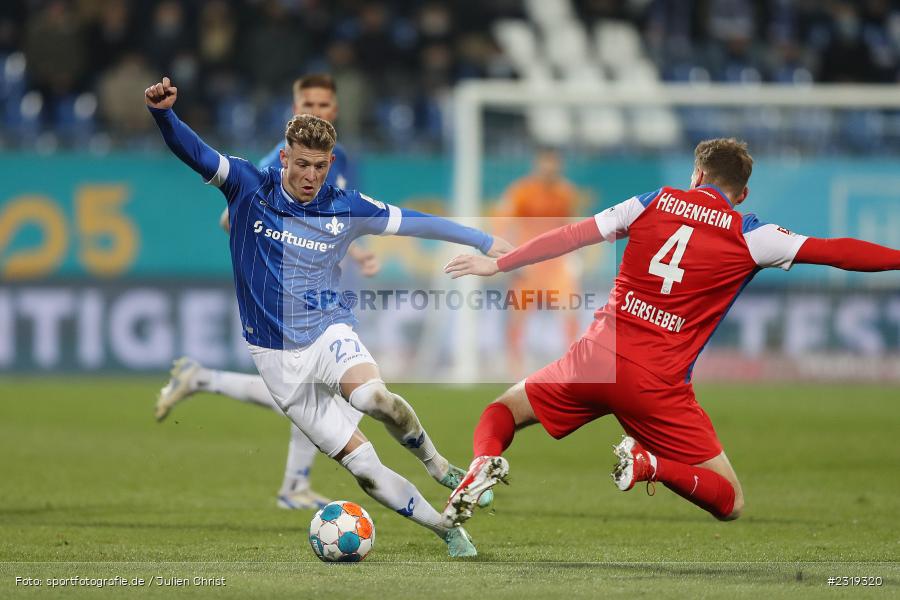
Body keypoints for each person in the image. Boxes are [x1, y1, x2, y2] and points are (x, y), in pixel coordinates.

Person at [441, 137, 900, 530]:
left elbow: (573, 235)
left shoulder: (650, 201)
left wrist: (498, 264)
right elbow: (838, 252)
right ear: (742, 194)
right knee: (730, 501)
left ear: (697, 174)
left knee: (501, 411)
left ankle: (483, 462)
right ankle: (650, 465)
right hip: (655, 383)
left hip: (595, 357)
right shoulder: (752, 234)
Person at [145, 76, 511, 556]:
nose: (309, 176)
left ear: (330, 164)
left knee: (376, 399)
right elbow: (193, 151)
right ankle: (445, 528)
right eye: (301, 164)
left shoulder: (346, 206)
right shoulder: (247, 185)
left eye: (319, 166)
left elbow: (417, 222)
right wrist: (164, 115)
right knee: (363, 467)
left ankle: (438, 464)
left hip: (327, 329)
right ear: (284, 158)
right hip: (276, 358)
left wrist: (483, 241)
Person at [155, 74, 375, 511]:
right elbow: (232, 217)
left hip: (320, 288)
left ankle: (205, 380)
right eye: (307, 102)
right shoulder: (276, 163)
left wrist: (357, 251)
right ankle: (293, 485)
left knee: (316, 392)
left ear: (335, 110)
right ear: (293, 108)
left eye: (325, 103)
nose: (316, 110)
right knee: (322, 392)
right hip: (282, 293)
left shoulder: (338, 158)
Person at [494, 147, 582, 375]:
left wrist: (574, 257)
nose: (550, 169)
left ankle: (573, 368)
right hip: (528, 265)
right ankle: (515, 368)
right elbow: (502, 222)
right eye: (546, 163)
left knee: (570, 312)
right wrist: (507, 256)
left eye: (554, 164)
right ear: (537, 164)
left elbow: (570, 226)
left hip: (556, 265)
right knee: (517, 317)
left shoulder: (565, 192)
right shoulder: (521, 192)